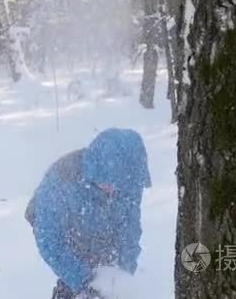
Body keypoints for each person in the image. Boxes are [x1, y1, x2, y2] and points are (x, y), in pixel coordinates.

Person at [26, 128, 151, 299]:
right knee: (76, 284)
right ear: (96, 170)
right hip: (69, 235)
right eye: (106, 181)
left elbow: (130, 229)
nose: (112, 188)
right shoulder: (62, 178)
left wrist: (122, 273)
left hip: (103, 234)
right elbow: (49, 240)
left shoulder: (129, 181)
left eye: (117, 184)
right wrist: (83, 282)